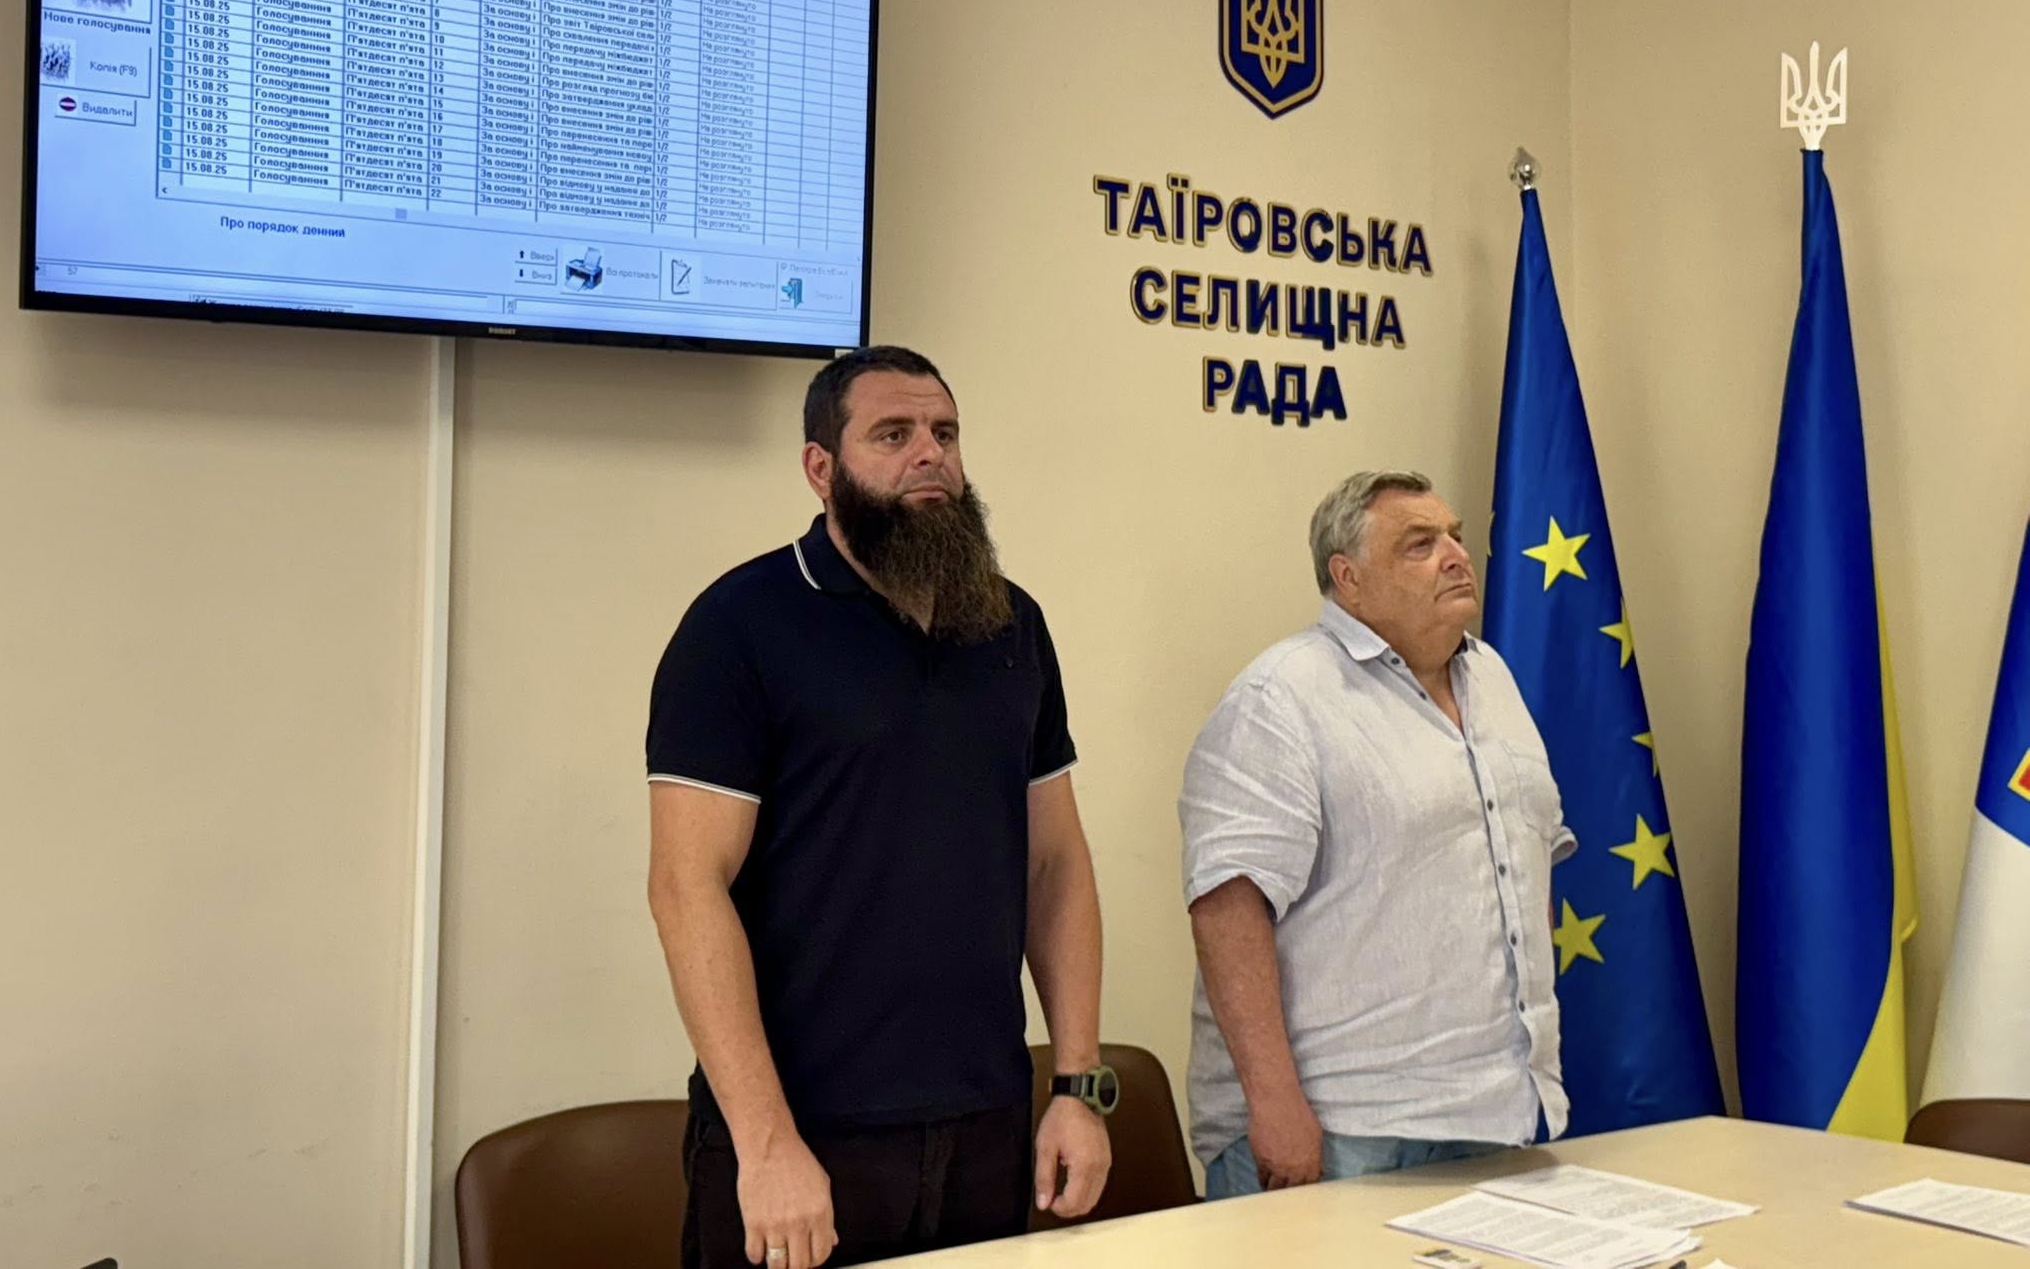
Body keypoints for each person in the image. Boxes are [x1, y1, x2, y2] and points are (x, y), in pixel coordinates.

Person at [647, 346, 1112, 1269]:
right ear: (821, 468)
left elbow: (1055, 862)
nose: (929, 453)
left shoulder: (1011, 623)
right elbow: (685, 887)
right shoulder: (740, 625)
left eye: (944, 433)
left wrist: (1077, 1085)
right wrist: (766, 1145)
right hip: (806, 1136)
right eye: (893, 435)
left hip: (986, 1123)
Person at [1180, 470, 1575, 1198]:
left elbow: (1525, 866)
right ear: (1348, 579)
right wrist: (1274, 1105)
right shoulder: (1282, 697)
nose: (1456, 556)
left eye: (1455, 536)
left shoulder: (1492, 677)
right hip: (1341, 1126)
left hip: (1495, 1109)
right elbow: (1228, 910)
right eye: (1420, 545)